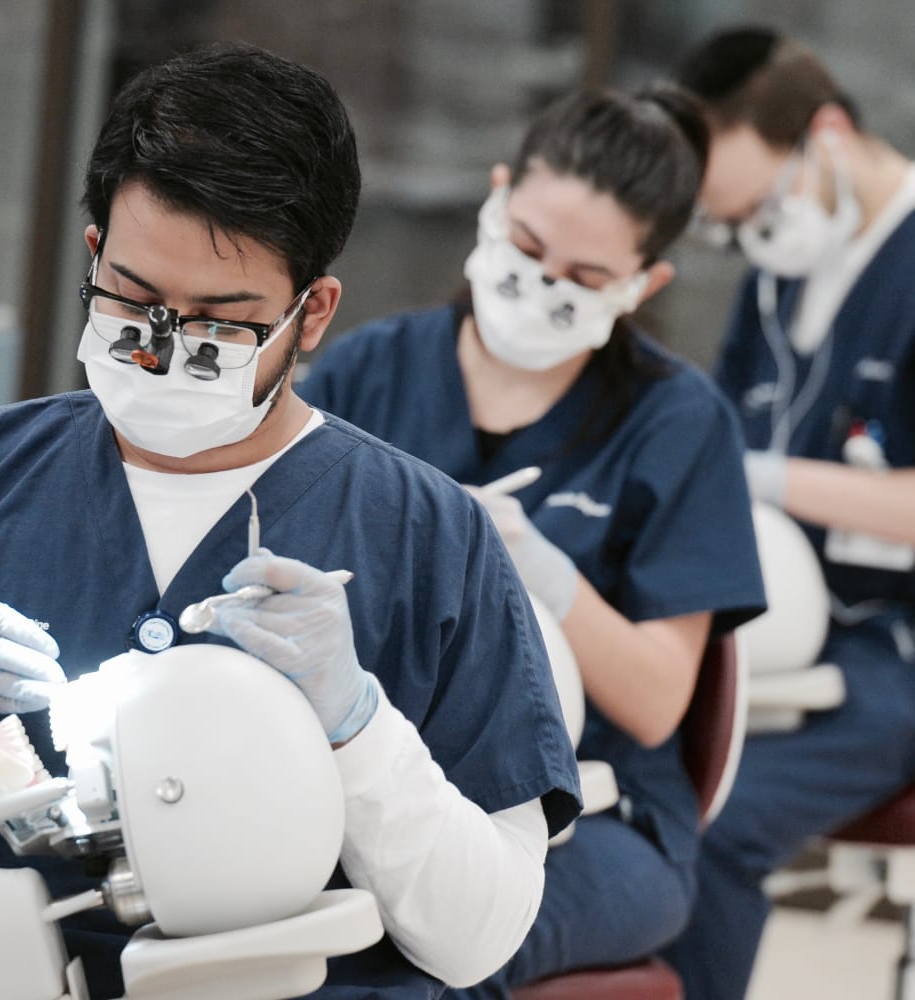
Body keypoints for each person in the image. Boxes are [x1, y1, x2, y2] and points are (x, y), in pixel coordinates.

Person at [0, 42, 583, 1000]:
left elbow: (482, 936)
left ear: (311, 314)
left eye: (221, 324)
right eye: (137, 303)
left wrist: (356, 725)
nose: (164, 350)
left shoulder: (423, 536)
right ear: (96, 254)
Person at [299, 83, 766, 995]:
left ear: (644, 283)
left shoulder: (678, 424)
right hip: (374, 786)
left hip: (599, 818)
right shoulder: (370, 370)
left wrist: (539, 575)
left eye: (585, 279)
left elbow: (659, 703)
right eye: (526, 246)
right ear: (497, 195)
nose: (542, 283)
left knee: (422, 949)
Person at [661, 26, 915, 998]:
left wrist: (765, 479)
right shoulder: (778, 273)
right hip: (779, 629)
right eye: (728, 228)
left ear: (828, 136)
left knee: (713, 820)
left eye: (758, 207)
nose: (753, 240)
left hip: (889, 648)